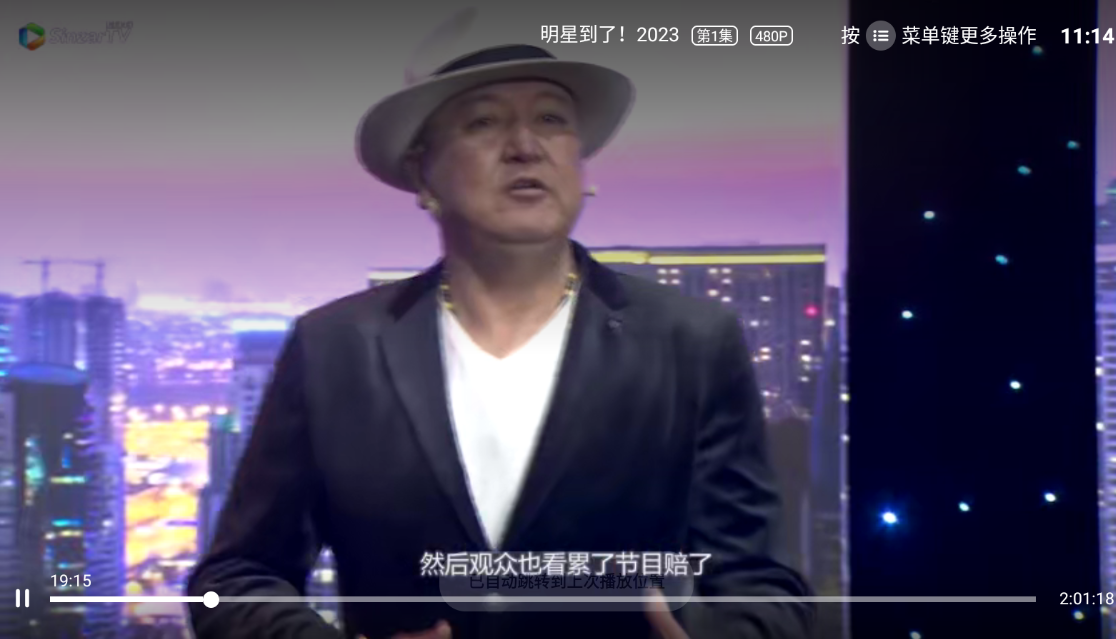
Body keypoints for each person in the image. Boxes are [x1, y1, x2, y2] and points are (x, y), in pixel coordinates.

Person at [187, 9, 813, 639]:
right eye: (483, 122)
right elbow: (230, 582)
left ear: (581, 166)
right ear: (422, 173)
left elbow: (767, 590)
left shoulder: (690, 342)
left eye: (552, 120)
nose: (525, 146)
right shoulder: (335, 349)